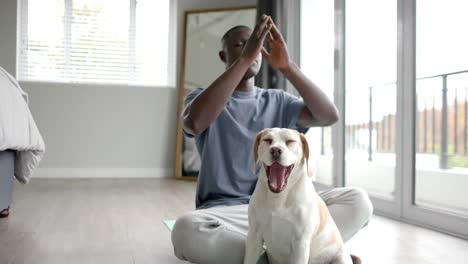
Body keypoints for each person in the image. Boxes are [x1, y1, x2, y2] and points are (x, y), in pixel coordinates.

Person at [171, 15, 373, 264]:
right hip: (227, 214)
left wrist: (288, 67)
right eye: (241, 45)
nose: (252, 49)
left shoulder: (279, 101)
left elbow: (328, 115)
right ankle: (289, 257)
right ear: (223, 56)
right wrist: (245, 59)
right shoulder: (203, 97)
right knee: (184, 230)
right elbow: (194, 123)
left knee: (358, 200)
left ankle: (313, 250)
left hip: (289, 210)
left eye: (256, 44)